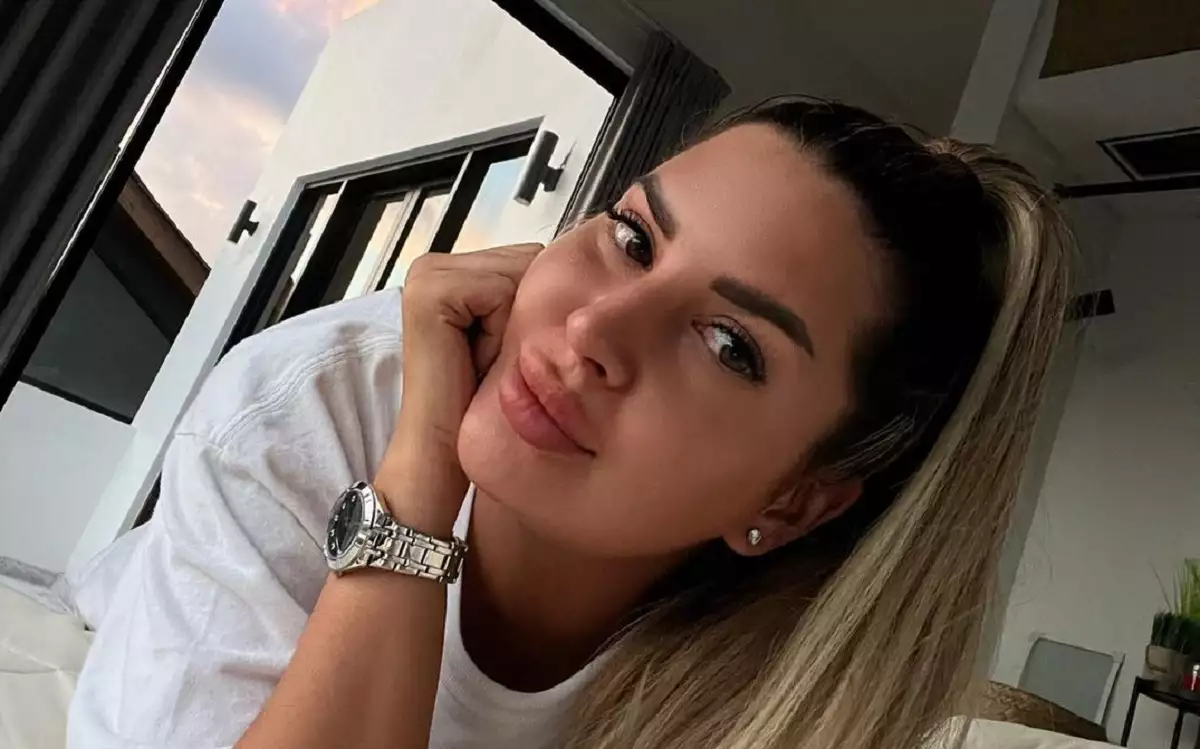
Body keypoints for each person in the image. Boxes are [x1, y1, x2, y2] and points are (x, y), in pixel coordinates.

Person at [67, 97, 1072, 749]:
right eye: (633, 237)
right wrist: (416, 486)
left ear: (797, 500)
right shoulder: (314, 402)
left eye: (729, 344)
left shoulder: (800, 685)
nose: (592, 329)